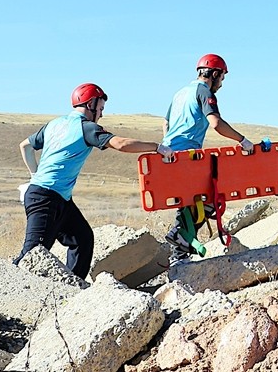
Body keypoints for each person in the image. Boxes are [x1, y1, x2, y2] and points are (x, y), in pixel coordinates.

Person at [15, 83, 170, 278]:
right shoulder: (86, 128)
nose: (102, 114)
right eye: (101, 108)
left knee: (82, 239)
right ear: (91, 105)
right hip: (45, 199)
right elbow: (120, 144)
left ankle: (71, 288)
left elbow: (25, 146)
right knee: (33, 254)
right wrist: (157, 147)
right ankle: (8, 288)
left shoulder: (55, 124)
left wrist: (34, 175)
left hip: (58, 197)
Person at [161, 54, 254, 263]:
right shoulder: (203, 92)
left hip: (171, 155)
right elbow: (215, 123)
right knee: (212, 198)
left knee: (189, 203)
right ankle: (179, 239)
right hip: (187, 156)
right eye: (221, 78)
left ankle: (179, 256)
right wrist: (242, 140)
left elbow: (165, 122)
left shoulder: (180, 93)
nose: (221, 84)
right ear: (214, 74)